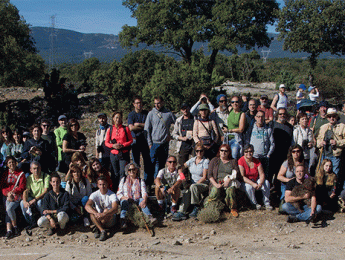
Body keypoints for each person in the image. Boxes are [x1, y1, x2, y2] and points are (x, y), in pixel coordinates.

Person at [172, 143, 209, 221]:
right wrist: (182, 175)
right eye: (197, 151)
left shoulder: (205, 161)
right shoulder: (192, 160)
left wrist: (195, 184)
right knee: (186, 191)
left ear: (203, 152)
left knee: (192, 187)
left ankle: (196, 207)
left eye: (201, 151)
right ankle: (181, 211)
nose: (199, 153)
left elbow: (204, 177)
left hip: (202, 183)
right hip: (193, 184)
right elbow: (181, 167)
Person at [117, 163, 157, 229]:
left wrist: (144, 200)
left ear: (136, 170)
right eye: (129, 170)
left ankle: (149, 217)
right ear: (127, 171)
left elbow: (144, 192)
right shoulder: (123, 180)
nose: (132, 171)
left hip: (137, 200)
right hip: (127, 200)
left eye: (133, 169)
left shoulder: (141, 180)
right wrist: (126, 198)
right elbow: (119, 193)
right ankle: (123, 220)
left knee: (142, 200)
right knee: (123, 202)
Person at [144, 96, 176, 178]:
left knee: (161, 165)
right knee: (151, 164)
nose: (156, 105)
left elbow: (177, 124)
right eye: (155, 103)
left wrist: (171, 135)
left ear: (162, 103)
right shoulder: (151, 113)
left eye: (158, 103)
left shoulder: (168, 113)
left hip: (164, 144)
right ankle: (149, 183)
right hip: (154, 143)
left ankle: (158, 182)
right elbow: (147, 129)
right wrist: (149, 143)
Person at [208, 144, 241, 217]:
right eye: (222, 150)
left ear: (229, 152)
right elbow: (209, 175)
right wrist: (216, 184)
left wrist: (229, 179)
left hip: (229, 183)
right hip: (217, 183)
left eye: (226, 151)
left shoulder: (232, 161)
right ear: (219, 151)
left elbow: (237, 172)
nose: (223, 152)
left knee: (231, 190)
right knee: (215, 191)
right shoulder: (214, 160)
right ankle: (209, 207)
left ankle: (233, 209)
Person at [105, 111, 133, 191]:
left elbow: (130, 140)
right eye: (116, 117)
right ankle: (114, 189)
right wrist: (113, 145)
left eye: (119, 117)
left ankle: (121, 189)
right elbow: (106, 142)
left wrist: (123, 145)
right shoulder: (110, 129)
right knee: (114, 173)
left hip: (123, 154)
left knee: (122, 173)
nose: (118, 119)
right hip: (113, 154)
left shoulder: (125, 128)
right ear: (113, 118)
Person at [238, 144, 272, 210]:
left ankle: (267, 203)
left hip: (255, 180)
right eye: (246, 152)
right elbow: (242, 177)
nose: (248, 153)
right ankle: (254, 203)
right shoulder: (241, 161)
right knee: (249, 187)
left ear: (253, 152)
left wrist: (260, 183)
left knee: (266, 182)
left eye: (250, 151)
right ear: (243, 152)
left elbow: (262, 174)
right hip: (245, 182)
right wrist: (253, 184)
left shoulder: (257, 161)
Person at [127, 96, 152, 186]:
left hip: (145, 141)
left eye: (140, 103)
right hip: (135, 141)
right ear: (134, 104)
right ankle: (136, 182)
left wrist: (138, 125)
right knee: (135, 163)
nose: (139, 105)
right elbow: (131, 127)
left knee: (147, 162)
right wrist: (143, 126)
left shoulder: (147, 113)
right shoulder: (131, 115)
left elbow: (149, 125)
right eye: (137, 103)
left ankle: (147, 183)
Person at [85, 176, 119, 241]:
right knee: (92, 212)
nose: (102, 186)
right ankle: (102, 230)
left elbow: (115, 208)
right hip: (99, 217)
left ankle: (97, 228)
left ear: (107, 184)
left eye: (104, 184)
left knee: (106, 210)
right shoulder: (94, 194)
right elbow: (87, 206)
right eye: (100, 184)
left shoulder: (112, 195)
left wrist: (104, 214)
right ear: (97, 185)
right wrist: (96, 213)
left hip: (109, 219)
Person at [20, 162, 51, 233]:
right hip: (33, 197)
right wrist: (25, 201)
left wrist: (35, 199)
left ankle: (44, 221)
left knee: (40, 202)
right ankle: (31, 222)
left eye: (38, 168)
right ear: (31, 170)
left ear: (40, 168)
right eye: (34, 168)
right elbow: (26, 190)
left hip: (42, 198)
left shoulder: (46, 176)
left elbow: (45, 191)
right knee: (22, 203)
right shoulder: (29, 178)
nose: (36, 170)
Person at [1, 156, 26, 238]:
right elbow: (2, 186)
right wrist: (7, 194)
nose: (11, 164)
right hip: (8, 195)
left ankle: (14, 227)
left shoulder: (20, 173)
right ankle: (10, 230)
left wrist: (13, 192)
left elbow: (22, 186)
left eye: (13, 162)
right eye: (9, 163)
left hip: (17, 195)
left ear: (16, 163)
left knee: (9, 209)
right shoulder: (5, 174)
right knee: (7, 209)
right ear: (7, 165)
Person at [245, 110, 274, 178]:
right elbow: (247, 140)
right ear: (255, 117)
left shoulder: (268, 129)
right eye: (258, 116)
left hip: (264, 158)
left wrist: (268, 155)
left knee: (264, 178)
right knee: (252, 177)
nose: (260, 118)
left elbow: (272, 143)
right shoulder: (251, 128)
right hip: (253, 157)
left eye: (262, 117)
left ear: (264, 118)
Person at [317, 108, 345, 178]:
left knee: (334, 173)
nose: (331, 118)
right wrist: (320, 143)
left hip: (335, 155)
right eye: (329, 116)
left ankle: (333, 188)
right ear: (327, 117)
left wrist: (337, 143)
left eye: (333, 116)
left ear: (336, 117)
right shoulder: (323, 127)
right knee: (322, 173)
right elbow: (318, 140)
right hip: (324, 154)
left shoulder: (342, 126)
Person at [269, 108, 293, 187]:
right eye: (280, 114)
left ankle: (278, 193)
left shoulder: (290, 127)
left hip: (284, 155)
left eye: (284, 114)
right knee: (270, 174)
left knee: (280, 175)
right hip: (273, 154)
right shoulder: (272, 124)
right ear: (277, 115)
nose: (282, 115)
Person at [224, 96, 246, 160]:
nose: (234, 104)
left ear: (240, 103)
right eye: (232, 102)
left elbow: (241, 129)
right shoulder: (230, 110)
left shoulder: (242, 114)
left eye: (237, 102)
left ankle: (235, 170)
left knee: (234, 157)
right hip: (227, 139)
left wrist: (229, 130)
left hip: (236, 139)